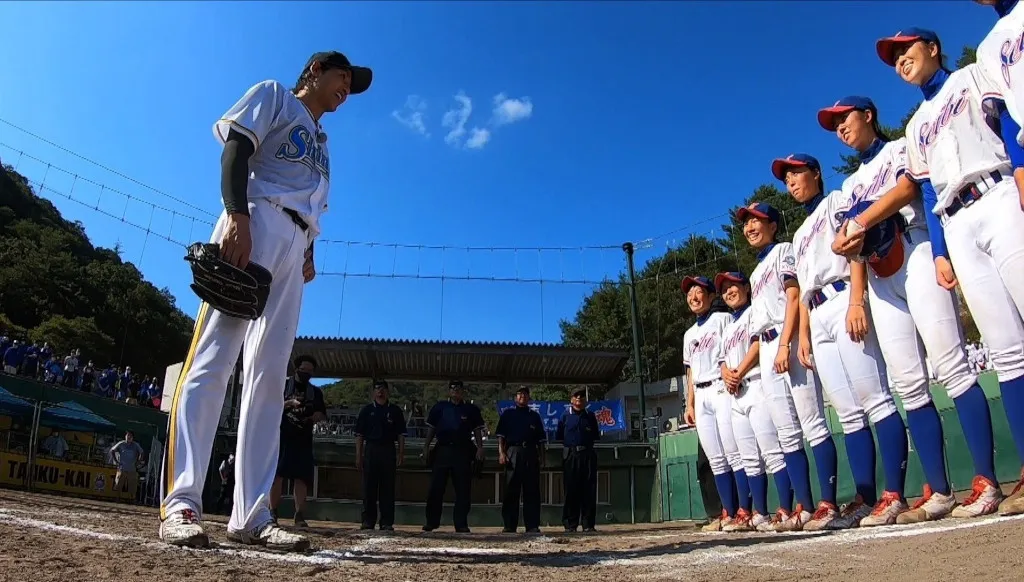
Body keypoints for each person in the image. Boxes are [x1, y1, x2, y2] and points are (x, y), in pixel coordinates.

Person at [158, 50, 372, 551]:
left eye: (352, 84)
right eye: (344, 77)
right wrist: (236, 216)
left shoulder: (322, 141)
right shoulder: (275, 94)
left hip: (294, 244)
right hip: (254, 221)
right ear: (317, 70)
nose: (348, 87)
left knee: (269, 377)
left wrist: (309, 249)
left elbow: (310, 200)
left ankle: (251, 513)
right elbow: (236, 148)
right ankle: (182, 501)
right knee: (214, 358)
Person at [822, 94, 997, 522]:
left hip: (916, 250)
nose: (840, 127)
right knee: (909, 385)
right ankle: (939, 491)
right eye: (834, 124)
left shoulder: (901, 146)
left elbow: (906, 189)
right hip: (879, 274)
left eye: (845, 118)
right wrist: (855, 289)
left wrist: (859, 224)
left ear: (868, 115)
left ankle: (987, 481)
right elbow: (855, 247)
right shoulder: (848, 186)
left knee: (952, 366)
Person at [872, 26, 1024, 516]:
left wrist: (1021, 173)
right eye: (893, 57)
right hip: (956, 225)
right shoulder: (916, 126)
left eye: (906, 50)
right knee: (1006, 353)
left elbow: (1009, 127)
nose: (899, 60)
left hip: (999, 193)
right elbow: (932, 192)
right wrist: (940, 252)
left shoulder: (974, 75)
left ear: (933, 48)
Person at [771, 153, 909, 529]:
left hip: (842, 297)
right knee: (847, 412)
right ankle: (865, 498)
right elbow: (800, 290)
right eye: (787, 178)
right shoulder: (798, 236)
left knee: (875, 398)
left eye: (797, 173)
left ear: (816, 173)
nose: (792, 181)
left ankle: (894, 493)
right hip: (816, 316)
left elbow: (856, 247)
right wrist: (803, 337)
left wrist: (856, 301)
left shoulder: (835, 202)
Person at [737, 202, 839, 532]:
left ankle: (828, 503)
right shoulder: (754, 271)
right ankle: (805, 507)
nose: (750, 227)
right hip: (766, 347)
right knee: (786, 432)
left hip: (787, 337)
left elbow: (794, 297)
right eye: (746, 223)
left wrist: (785, 342)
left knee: (812, 421)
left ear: (773, 225)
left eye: (757, 221)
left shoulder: (783, 250)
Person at [714, 271, 790, 532]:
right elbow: (722, 359)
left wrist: (738, 372)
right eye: (724, 289)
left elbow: (758, 344)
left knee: (771, 451)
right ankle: (759, 512)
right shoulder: (728, 327)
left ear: (746, 287)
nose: (729, 291)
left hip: (755, 382)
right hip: (736, 393)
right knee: (748, 458)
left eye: (733, 286)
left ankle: (786, 508)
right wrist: (727, 373)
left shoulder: (754, 311)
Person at [680, 276, 748, 532]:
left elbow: (734, 348)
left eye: (698, 292)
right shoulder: (689, 334)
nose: (693, 297)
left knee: (734, 453)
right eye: (689, 294)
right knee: (715, 459)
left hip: (721, 388)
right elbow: (690, 373)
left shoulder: (723, 319)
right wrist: (689, 404)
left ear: (710, 296)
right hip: (701, 394)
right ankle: (727, 513)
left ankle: (745, 510)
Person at [422, 380, 486, 533]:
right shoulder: (440, 407)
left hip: (462, 451)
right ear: (449, 391)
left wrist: (480, 448)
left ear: (463, 391)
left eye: (458, 389)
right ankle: (431, 521)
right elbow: (431, 429)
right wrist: (426, 446)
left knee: (463, 489)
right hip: (442, 450)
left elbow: (477, 430)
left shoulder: (471, 409)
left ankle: (461, 523)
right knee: (436, 488)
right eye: (453, 388)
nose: (455, 391)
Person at [271, 355, 327, 527]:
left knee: (302, 477)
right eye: (304, 370)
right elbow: (271, 405)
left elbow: (322, 414)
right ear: (296, 369)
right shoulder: (282, 384)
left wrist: (313, 416)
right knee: (277, 475)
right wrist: (289, 403)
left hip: (303, 438)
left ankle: (299, 514)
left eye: (310, 371)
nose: (307, 374)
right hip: (282, 435)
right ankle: (272, 512)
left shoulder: (315, 392)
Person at [354, 379, 407, 531]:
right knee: (369, 487)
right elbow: (359, 435)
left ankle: (386, 521)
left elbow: (401, 435)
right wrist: (358, 455)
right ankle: (368, 520)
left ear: (387, 391)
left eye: (383, 388)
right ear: (373, 392)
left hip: (388, 449)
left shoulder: (395, 411)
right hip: (371, 449)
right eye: (377, 388)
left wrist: (401, 453)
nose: (380, 391)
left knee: (387, 488)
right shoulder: (366, 410)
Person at [495, 386, 546, 534]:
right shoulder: (508, 414)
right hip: (512, 452)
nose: (522, 396)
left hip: (530, 453)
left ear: (529, 398)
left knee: (532, 491)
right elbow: (501, 437)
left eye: (525, 394)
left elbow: (541, 440)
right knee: (511, 490)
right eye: (519, 394)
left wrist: (542, 457)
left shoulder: (534, 416)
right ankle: (509, 525)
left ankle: (532, 525)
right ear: (515, 398)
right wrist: (501, 453)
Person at [556, 388, 600, 533]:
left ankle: (588, 524)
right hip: (571, 456)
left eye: (582, 397)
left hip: (587, 455)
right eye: (576, 396)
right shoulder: (565, 416)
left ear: (585, 400)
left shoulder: (590, 416)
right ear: (571, 399)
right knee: (571, 490)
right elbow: (560, 437)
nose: (579, 399)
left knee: (588, 490)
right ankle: (570, 524)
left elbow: (594, 436)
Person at [110, 431, 145, 503]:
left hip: (132, 469)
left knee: (132, 486)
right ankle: (117, 499)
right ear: (125, 436)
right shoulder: (121, 443)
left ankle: (131, 500)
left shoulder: (135, 445)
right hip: (122, 468)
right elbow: (112, 450)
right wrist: (116, 461)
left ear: (132, 438)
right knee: (118, 484)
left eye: (130, 436)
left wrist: (138, 462)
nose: (128, 437)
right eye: (127, 435)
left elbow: (142, 452)